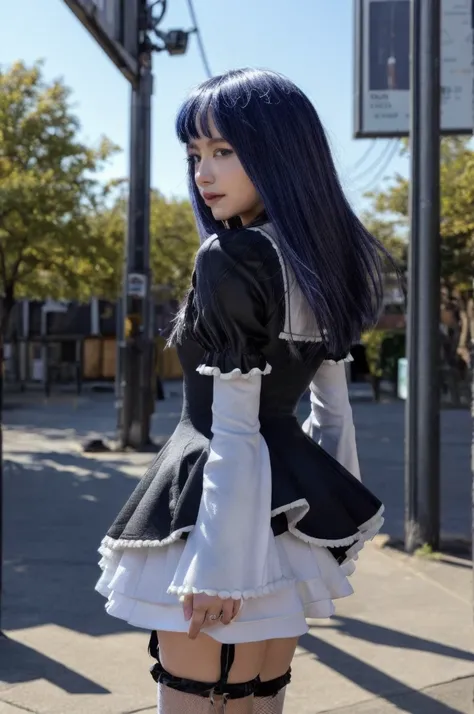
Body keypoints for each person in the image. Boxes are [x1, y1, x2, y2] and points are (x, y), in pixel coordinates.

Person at [96, 68, 389, 713]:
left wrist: (221, 569)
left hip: (218, 513)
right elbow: (332, 411)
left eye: (225, 150)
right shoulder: (323, 257)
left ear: (280, 152)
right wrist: (333, 533)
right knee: (260, 703)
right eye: (196, 153)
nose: (204, 171)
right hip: (288, 518)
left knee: (198, 702)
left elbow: (232, 424)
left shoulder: (232, 256)